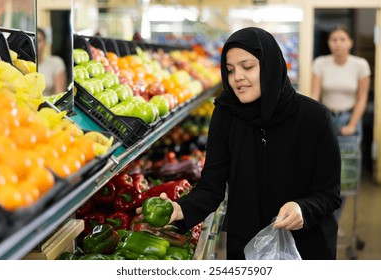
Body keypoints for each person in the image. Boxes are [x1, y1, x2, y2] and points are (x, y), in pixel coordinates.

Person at [138, 27, 342, 260]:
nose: (237, 77)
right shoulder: (226, 114)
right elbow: (211, 188)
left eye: (247, 67)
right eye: (230, 70)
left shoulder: (314, 117)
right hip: (247, 246)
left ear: (270, 65)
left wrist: (303, 208)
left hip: (306, 246)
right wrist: (181, 209)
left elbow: (329, 193)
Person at [310, 26, 371, 221]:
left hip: (349, 120)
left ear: (350, 42)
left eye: (342, 39)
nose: (338, 43)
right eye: (334, 39)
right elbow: (314, 95)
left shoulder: (360, 65)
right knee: (323, 170)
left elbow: (362, 98)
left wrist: (352, 124)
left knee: (345, 177)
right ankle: (324, 215)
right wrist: (311, 120)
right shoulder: (320, 63)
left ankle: (333, 221)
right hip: (326, 119)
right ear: (329, 43)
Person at [37, 27, 67, 97]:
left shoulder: (56, 63)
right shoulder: (25, 64)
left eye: (39, 41)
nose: (36, 45)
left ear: (45, 43)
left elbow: (59, 95)